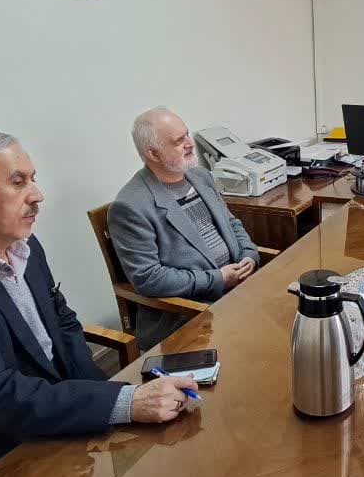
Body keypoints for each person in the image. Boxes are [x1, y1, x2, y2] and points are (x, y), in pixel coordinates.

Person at [0, 130, 197, 477]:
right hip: (4, 453)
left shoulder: (25, 247)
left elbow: (63, 325)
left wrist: (110, 398)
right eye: (18, 182)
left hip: (59, 409)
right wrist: (125, 404)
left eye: (33, 179)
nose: (38, 195)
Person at [109, 107, 261, 348]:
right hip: (189, 313)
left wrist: (249, 255)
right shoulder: (130, 206)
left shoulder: (200, 176)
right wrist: (218, 279)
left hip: (238, 292)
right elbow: (149, 278)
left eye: (187, 134)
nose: (190, 143)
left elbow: (232, 223)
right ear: (153, 153)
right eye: (178, 141)